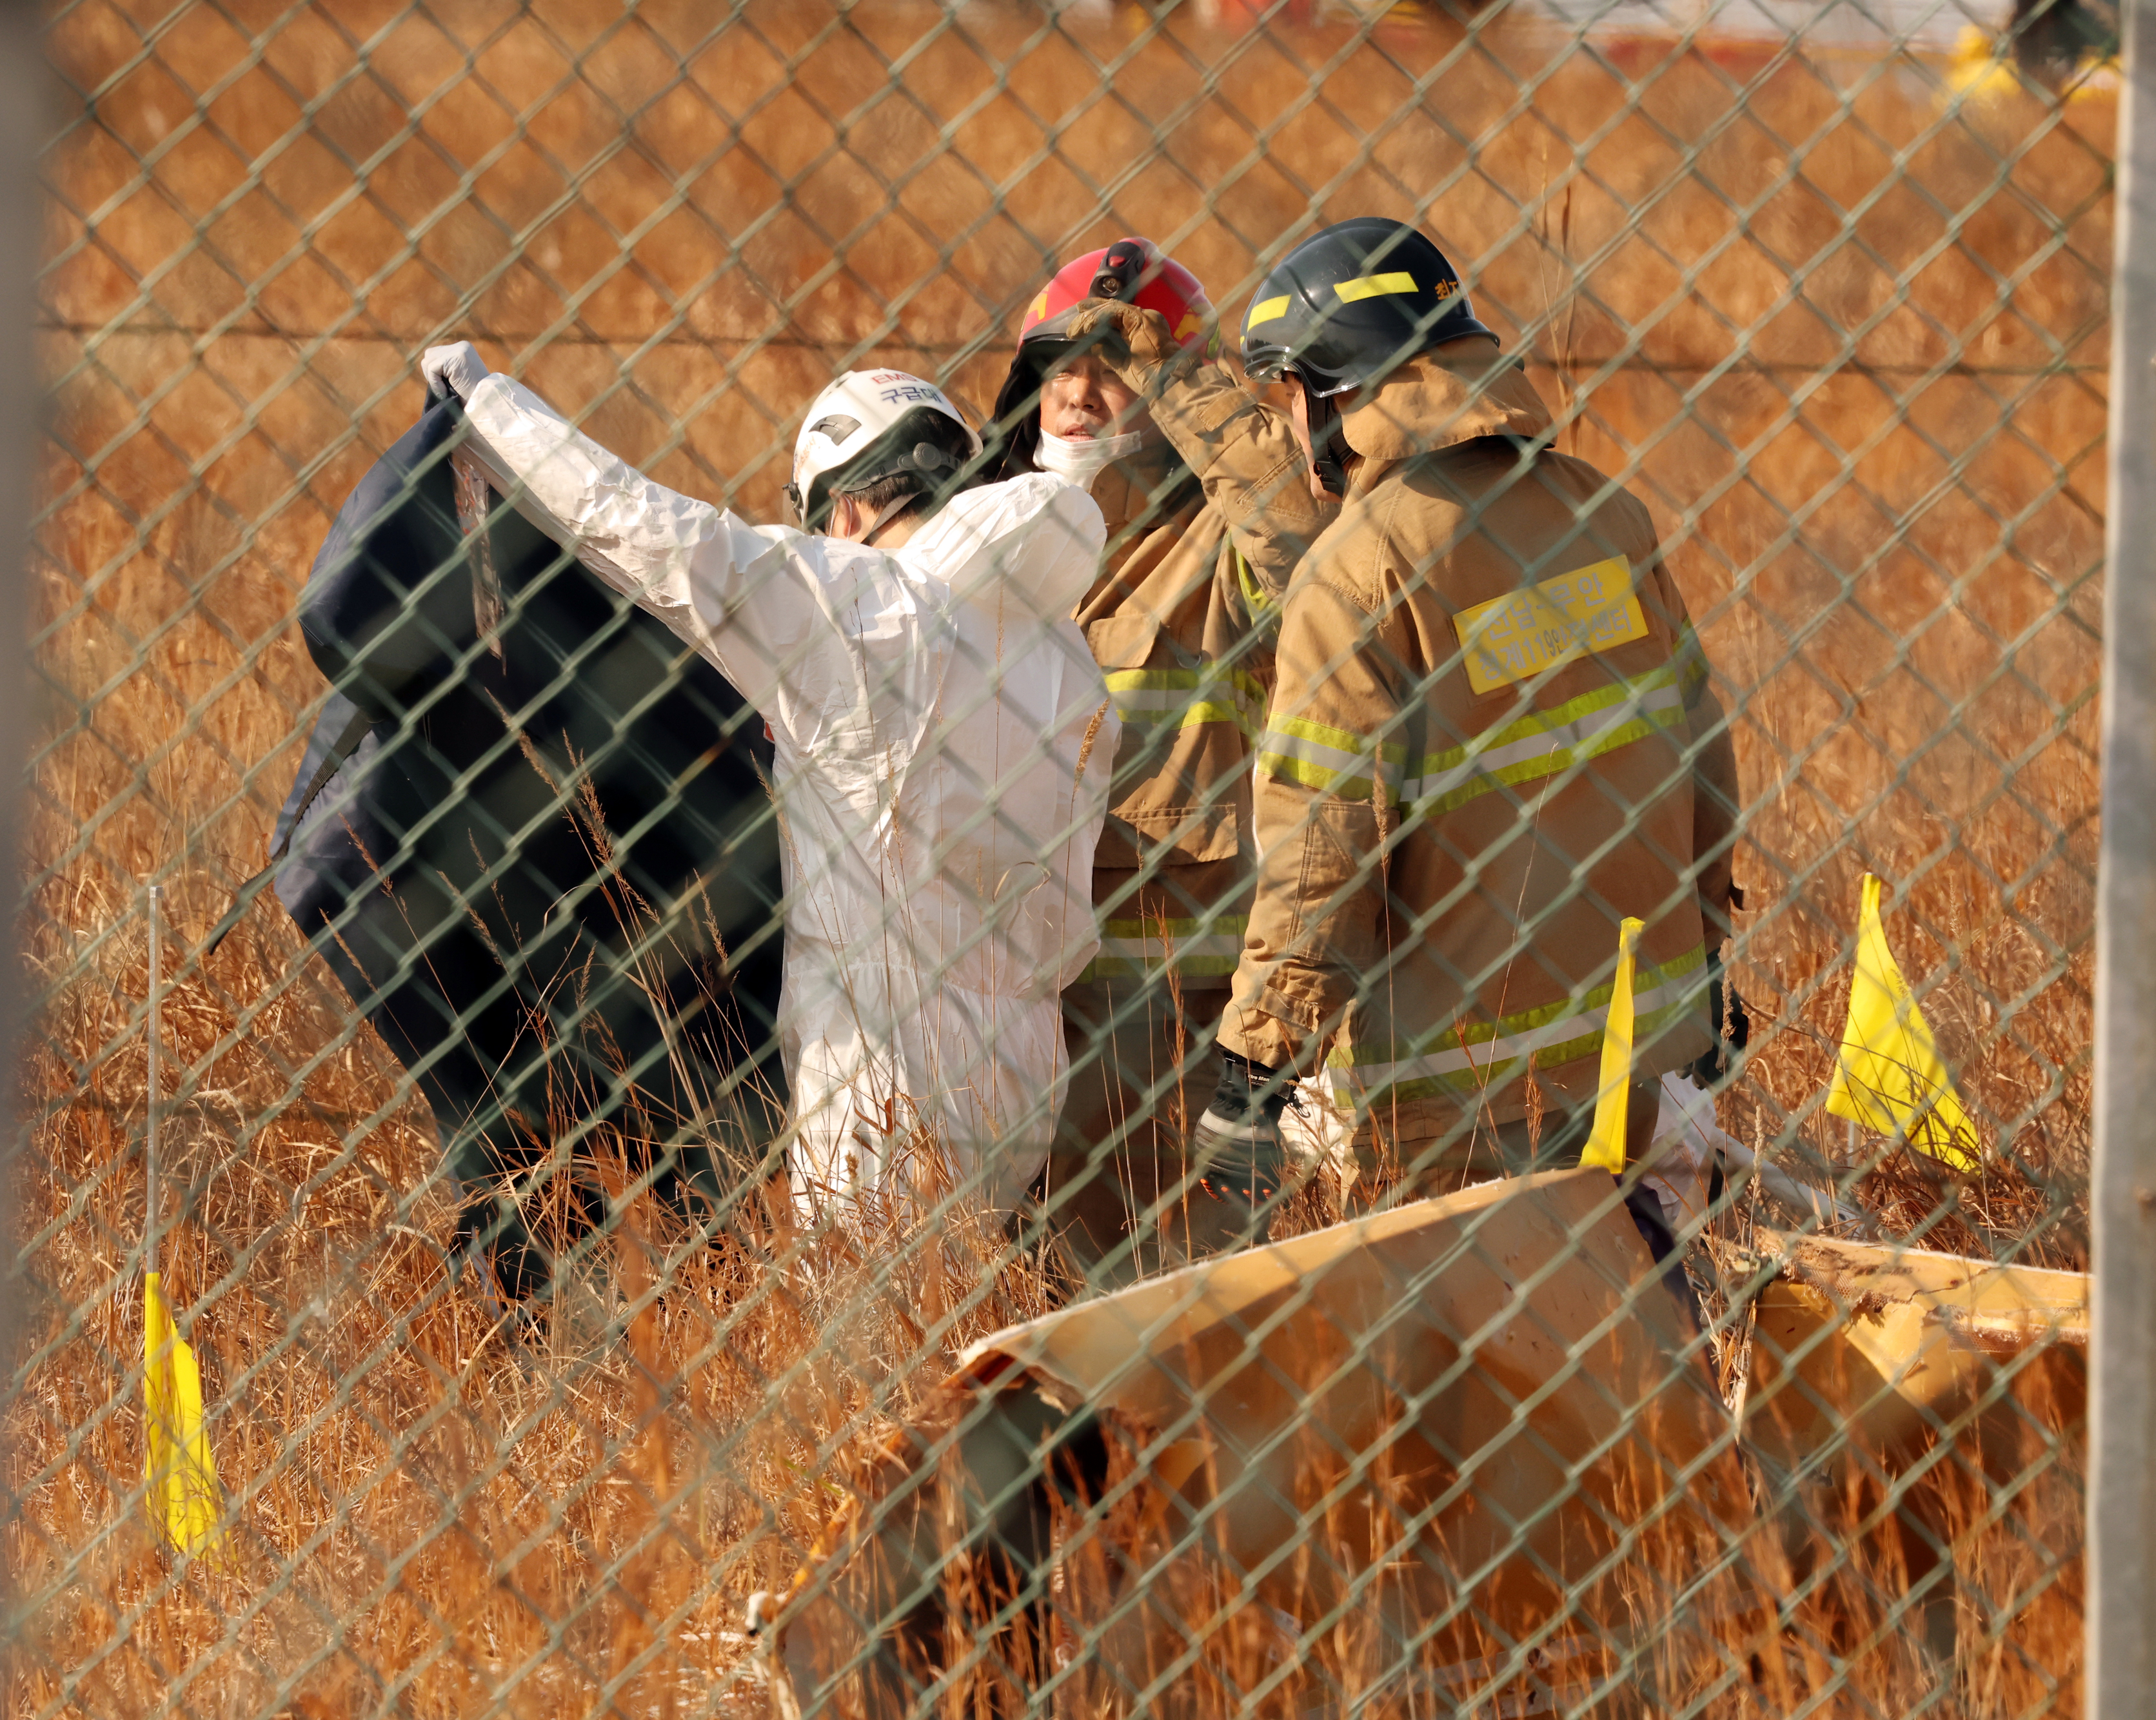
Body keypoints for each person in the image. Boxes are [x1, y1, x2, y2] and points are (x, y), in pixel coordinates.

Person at [1092, 216, 1739, 1209]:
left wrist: (1256, 1074)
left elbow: (1327, 839)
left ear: (1333, 393)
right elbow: (1700, 757)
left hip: (1459, 1086)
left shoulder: (1361, 571)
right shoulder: (1605, 515)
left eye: (1292, 394)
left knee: (1443, 1351)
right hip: (1625, 1054)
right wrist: (1703, 959)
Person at [423, 342, 1114, 1229]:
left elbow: (651, 532)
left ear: (851, 504)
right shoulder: (1062, 654)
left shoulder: (857, 603)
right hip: (1026, 1073)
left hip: (880, 1071)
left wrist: (489, 408)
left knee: (867, 1351)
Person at [266, 368, 787, 1305]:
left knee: (524, 1159)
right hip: (437, 899)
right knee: (539, 1159)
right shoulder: (591, 616)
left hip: (410, 888)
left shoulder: (490, 632)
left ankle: (550, 1357)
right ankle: (574, 1348)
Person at [980, 238, 1337, 1283]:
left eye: (1117, 368)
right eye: (1063, 366)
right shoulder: (980, 528)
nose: (1083, 393)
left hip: (1158, 1010)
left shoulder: (1221, 550)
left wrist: (1183, 380)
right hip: (1000, 993)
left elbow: (1301, 537)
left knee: (1149, 1294)